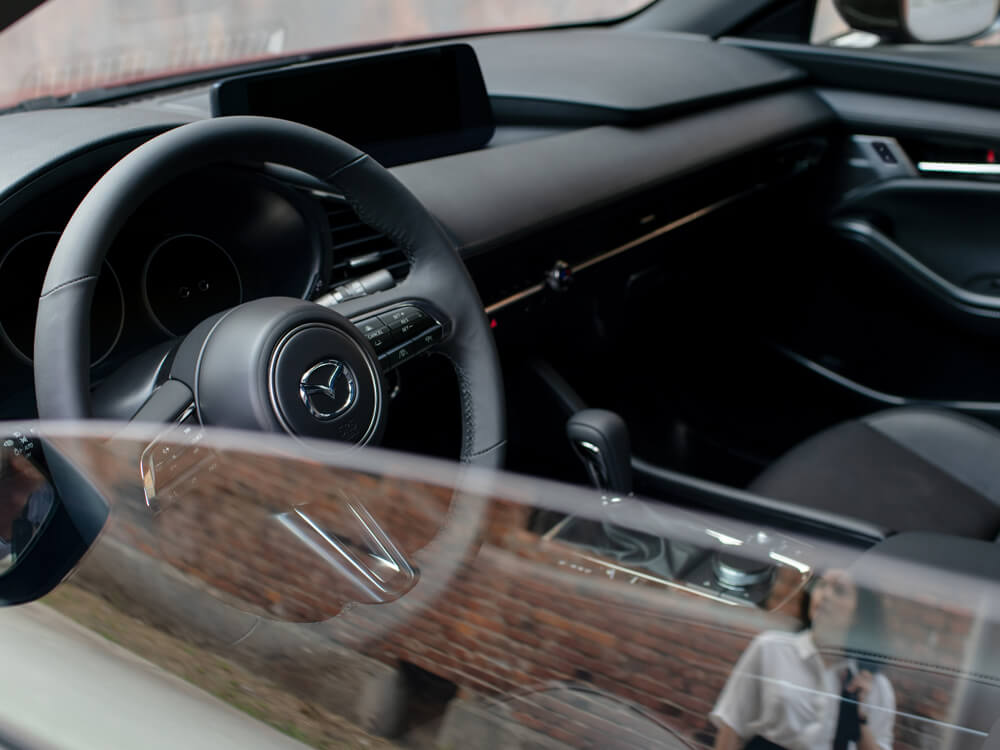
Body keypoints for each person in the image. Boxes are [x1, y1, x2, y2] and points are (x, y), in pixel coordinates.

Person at [710, 569, 895, 750]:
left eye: (839, 591)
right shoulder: (771, 648)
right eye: (821, 585)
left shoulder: (874, 685)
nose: (825, 596)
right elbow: (732, 726)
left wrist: (859, 717)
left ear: (860, 613)